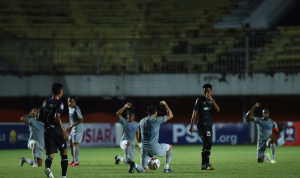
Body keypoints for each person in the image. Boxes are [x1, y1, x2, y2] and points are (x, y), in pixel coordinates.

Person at [39, 83, 69, 178]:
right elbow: (57, 117)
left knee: (50, 155)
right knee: (63, 152)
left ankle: (48, 168)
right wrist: (64, 131)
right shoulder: (59, 103)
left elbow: (39, 117)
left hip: (47, 130)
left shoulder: (45, 102)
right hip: (56, 130)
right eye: (62, 91)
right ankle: (63, 176)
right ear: (60, 91)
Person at [135, 100, 174, 173]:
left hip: (145, 147)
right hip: (154, 146)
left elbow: (138, 132)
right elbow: (171, 115)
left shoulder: (142, 121)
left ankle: (134, 165)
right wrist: (165, 105)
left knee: (144, 170)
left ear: (148, 112)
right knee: (170, 147)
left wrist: (140, 144)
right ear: (156, 112)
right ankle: (166, 168)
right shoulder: (157, 120)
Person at [189, 83, 220, 170]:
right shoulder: (199, 100)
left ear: (211, 91)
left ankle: (203, 165)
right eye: (205, 92)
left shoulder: (212, 100)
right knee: (209, 142)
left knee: (206, 143)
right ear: (203, 91)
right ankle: (207, 163)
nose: (207, 93)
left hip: (209, 125)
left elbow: (218, 110)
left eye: (209, 92)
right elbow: (194, 113)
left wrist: (212, 100)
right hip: (202, 125)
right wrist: (191, 126)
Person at [114, 102, 139, 173]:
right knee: (127, 143)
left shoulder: (136, 125)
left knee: (127, 162)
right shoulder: (124, 122)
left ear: (134, 116)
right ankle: (129, 162)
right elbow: (117, 114)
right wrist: (125, 106)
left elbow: (138, 135)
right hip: (124, 142)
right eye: (129, 116)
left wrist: (140, 145)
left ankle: (117, 158)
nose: (130, 117)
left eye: (132, 116)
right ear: (127, 116)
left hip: (132, 146)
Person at [66, 95, 84, 166]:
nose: (69, 103)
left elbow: (81, 119)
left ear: (75, 102)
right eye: (68, 102)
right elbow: (72, 120)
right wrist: (68, 126)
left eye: (71, 102)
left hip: (78, 128)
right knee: (70, 143)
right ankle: (73, 160)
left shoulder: (76, 108)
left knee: (75, 144)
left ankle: (77, 162)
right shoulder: (70, 108)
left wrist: (72, 125)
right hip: (73, 128)